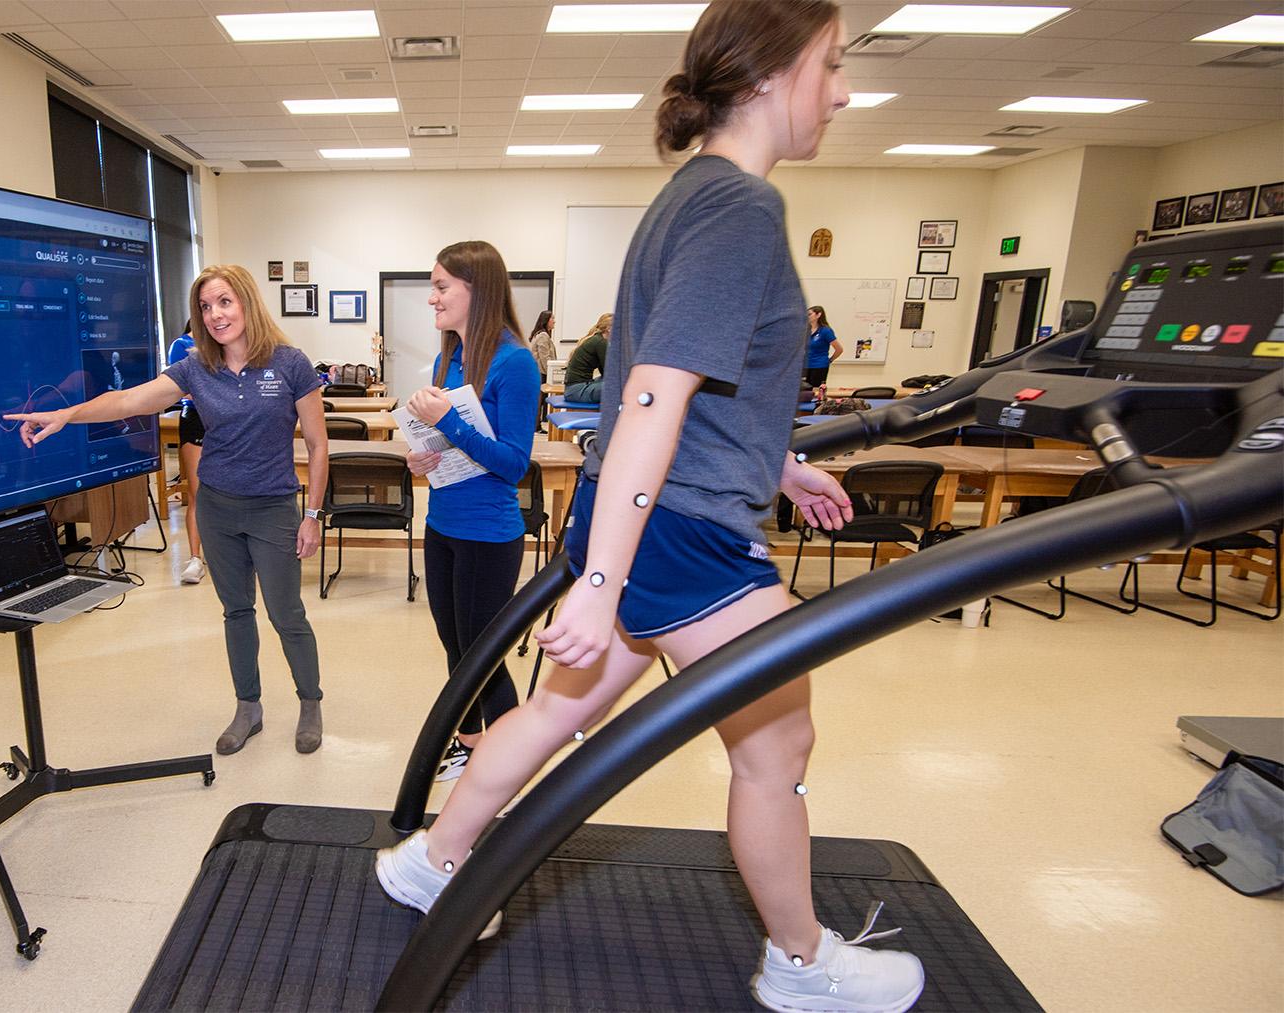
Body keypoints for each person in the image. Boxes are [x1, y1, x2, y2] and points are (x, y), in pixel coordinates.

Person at [375, 4, 927, 1011]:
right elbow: (651, 394)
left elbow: (695, 391)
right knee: (777, 747)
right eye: (832, 64)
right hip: (679, 528)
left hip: (647, 508)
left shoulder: (691, 196)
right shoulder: (739, 209)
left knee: (558, 707)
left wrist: (779, 462)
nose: (843, 91)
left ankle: (434, 857)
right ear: (770, 71)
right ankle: (802, 962)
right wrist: (599, 581)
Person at [9, 265, 330, 755]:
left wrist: (312, 514)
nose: (216, 314)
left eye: (224, 301)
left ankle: (310, 702)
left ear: (246, 302)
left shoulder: (290, 364)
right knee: (236, 610)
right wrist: (65, 415)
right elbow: (127, 402)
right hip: (218, 508)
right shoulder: (196, 368)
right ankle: (249, 707)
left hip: (273, 508)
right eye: (205, 306)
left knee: (287, 613)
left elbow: (317, 443)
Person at [406, 241, 541, 782]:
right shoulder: (449, 356)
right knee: (456, 646)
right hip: (441, 524)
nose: (432, 298)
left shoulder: (516, 362)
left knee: (480, 660)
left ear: (476, 291)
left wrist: (451, 425)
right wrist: (427, 453)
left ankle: (508, 767)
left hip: (488, 534)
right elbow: (455, 443)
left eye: (442, 287)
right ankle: (471, 743)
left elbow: (513, 463)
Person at [166, 326, 207, 584]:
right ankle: (195, 558)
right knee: (197, 491)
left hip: (227, 418)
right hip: (196, 417)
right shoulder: (181, 345)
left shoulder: (229, 340)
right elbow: (184, 389)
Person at [563, 312, 612, 404]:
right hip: (576, 391)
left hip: (573, 390)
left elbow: (606, 373)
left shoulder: (596, 339)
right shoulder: (600, 342)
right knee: (619, 387)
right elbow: (610, 373)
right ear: (609, 329)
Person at [804, 304, 843, 387]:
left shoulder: (826, 331)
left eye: (810, 314)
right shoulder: (806, 330)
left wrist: (830, 360)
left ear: (818, 315)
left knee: (816, 391)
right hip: (806, 366)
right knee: (805, 391)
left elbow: (839, 349)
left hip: (819, 366)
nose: (807, 316)